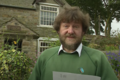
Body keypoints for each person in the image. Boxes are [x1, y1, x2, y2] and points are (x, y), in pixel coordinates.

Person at [28, 7, 118, 80]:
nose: (70, 31)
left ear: (83, 31)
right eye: (66, 26)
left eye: (76, 26)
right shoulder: (45, 57)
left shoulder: (98, 58)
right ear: (58, 30)